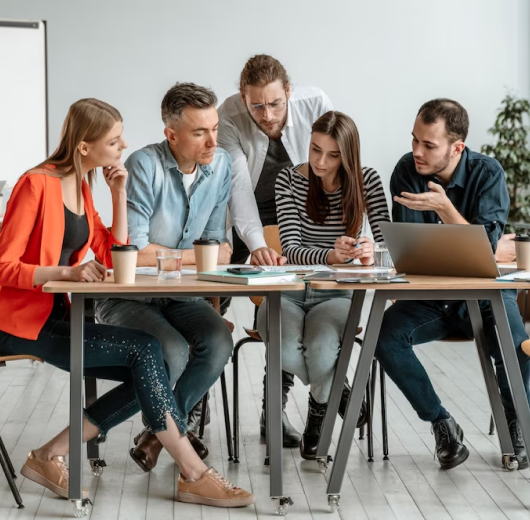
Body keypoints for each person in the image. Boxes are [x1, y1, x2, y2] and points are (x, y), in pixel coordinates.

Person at [0, 98, 254, 507]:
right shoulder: (36, 183)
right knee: (147, 353)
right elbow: (2, 266)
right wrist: (66, 273)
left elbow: (116, 252)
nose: (124, 147)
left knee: (154, 365)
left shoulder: (81, 186)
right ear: (85, 146)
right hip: (18, 326)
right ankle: (194, 472)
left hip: (56, 317)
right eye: (115, 141)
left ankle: (50, 454)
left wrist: (118, 193)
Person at [377, 98, 530, 470]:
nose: (417, 151)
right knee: (384, 338)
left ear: (457, 147)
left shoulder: (488, 173)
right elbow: (413, 249)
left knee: (517, 347)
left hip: (484, 295)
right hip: (432, 297)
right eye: (414, 140)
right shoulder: (406, 170)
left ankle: (518, 425)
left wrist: (446, 210)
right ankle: (441, 423)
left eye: (429, 145)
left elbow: (484, 249)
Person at [95, 83, 235, 472]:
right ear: (171, 134)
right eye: (199, 132)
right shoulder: (144, 164)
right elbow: (135, 251)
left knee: (218, 338)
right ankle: (173, 432)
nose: (212, 141)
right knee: (171, 349)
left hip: (181, 295)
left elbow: (219, 248)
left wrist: (192, 257)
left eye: (215, 128)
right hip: (129, 297)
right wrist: (197, 257)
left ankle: (159, 433)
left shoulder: (221, 165)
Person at [257, 111, 390, 459]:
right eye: (315, 149)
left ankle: (318, 415)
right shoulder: (288, 178)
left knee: (320, 348)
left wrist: (369, 251)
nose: (319, 161)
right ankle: (338, 393)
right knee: (282, 347)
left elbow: (390, 247)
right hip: (285, 291)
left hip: (335, 294)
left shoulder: (367, 181)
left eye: (332, 155)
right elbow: (291, 248)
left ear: (348, 155)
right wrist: (330, 255)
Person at [218, 54, 333, 446]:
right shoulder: (229, 116)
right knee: (209, 299)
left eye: (275, 103)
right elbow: (237, 191)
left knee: (286, 305)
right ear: (242, 98)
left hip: (300, 213)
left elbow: (333, 167)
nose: (267, 115)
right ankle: (191, 408)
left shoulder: (314, 103)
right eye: (257, 106)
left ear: (289, 91)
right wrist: (257, 246)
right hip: (246, 212)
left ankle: (274, 411)